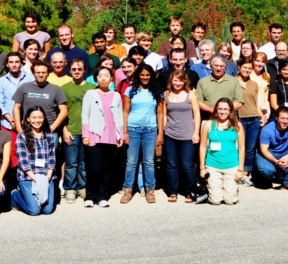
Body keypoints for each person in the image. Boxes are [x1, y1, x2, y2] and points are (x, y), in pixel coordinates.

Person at [81, 66, 125, 207]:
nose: (103, 78)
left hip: (111, 136)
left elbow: (119, 116)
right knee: (94, 167)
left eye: (106, 75)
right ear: (96, 79)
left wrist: (121, 135)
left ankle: (102, 196)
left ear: (111, 78)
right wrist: (85, 134)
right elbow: (85, 115)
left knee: (107, 168)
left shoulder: (116, 95)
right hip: (94, 134)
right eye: (100, 76)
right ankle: (90, 196)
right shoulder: (90, 93)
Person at [120, 64, 164, 204]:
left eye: (147, 75)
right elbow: (125, 111)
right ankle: (128, 189)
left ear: (151, 76)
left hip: (150, 129)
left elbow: (160, 113)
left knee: (149, 162)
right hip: (133, 129)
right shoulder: (130, 91)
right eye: (142, 75)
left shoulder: (157, 92)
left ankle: (150, 189)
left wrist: (160, 133)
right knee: (131, 161)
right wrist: (125, 131)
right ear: (138, 76)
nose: (145, 77)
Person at [162, 70, 200, 203]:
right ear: (171, 81)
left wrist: (196, 133)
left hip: (187, 135)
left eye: (180, 80)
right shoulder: (166, 94)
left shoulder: (191, 95)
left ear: (185, 81)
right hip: (170, 134)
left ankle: (190, 191)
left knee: (187, 164)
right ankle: (172, 191)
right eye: (175, 80)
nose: (177, 83)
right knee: (171, 164)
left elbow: (197, 114)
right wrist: (163, 129)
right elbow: (164, 114)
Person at [10, 107, 57, 216]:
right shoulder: (22, 136)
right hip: (28, 177)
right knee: (34, 211)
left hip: (46, 176)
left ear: (44, 118)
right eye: (34, 117)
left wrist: (48, 176)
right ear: (28, 119)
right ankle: (15, 195)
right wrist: (34, 178)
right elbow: (22, 160)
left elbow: (52, 157)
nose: (37, 120)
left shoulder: (48, 135)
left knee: (47, 210)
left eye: (40, 117)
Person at [61, 59, 95, 203]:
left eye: (79, 69)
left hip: (88, 131)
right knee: (71, 162)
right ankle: (70, 188)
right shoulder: (64, 88)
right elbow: (61, 111)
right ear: (70, 70)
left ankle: (83, 187)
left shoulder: (92, 88)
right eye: (74, 69)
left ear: (84, 70)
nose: (76, 71)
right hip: (72, 130)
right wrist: (64, 130)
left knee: (84, 162)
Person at [199, 98, 244, 205]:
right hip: (213, 165)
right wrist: (202, 168)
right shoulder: (209, 124)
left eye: (225, 109)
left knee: (229, 201)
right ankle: (214, 187)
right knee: (215, 201)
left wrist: (240, 170)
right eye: (220, 109)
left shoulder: (237, 125)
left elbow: (242, 148)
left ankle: (232, 189)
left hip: (231, 165)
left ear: (230, 111)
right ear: (216, 110)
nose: (222, 112)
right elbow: (203, 147)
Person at [235, 59, 267, 187]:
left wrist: (261, 116)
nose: (247, 70)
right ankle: (237, 171)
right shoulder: (233, 81)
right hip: (240, 118)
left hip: (253, 119)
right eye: (245, 68)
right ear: (239, 67)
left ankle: (245, 174)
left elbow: (255, 103)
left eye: (249, 68)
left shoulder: (254, 84)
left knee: (249, 148)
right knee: (238, 147)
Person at [12, 61, 68, 133]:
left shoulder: (56, 89)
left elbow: (64, 111)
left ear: (48, 74)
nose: (41, 75)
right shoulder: (24, 87)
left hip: (49, 131)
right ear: (33, 73)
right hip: (28, 130)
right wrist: (19, 128)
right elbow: (16, 107)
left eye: (43, 72)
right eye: (38, 72)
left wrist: (52, 128)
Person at [0, 52, 31, 131]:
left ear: (21, 63)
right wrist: (10, 119)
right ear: (7, 64)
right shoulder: (1, 81)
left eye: (17, 62)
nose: (14, 65)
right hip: (7, 123)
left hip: (27, 123)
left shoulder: (30, 79)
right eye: (11, 62)